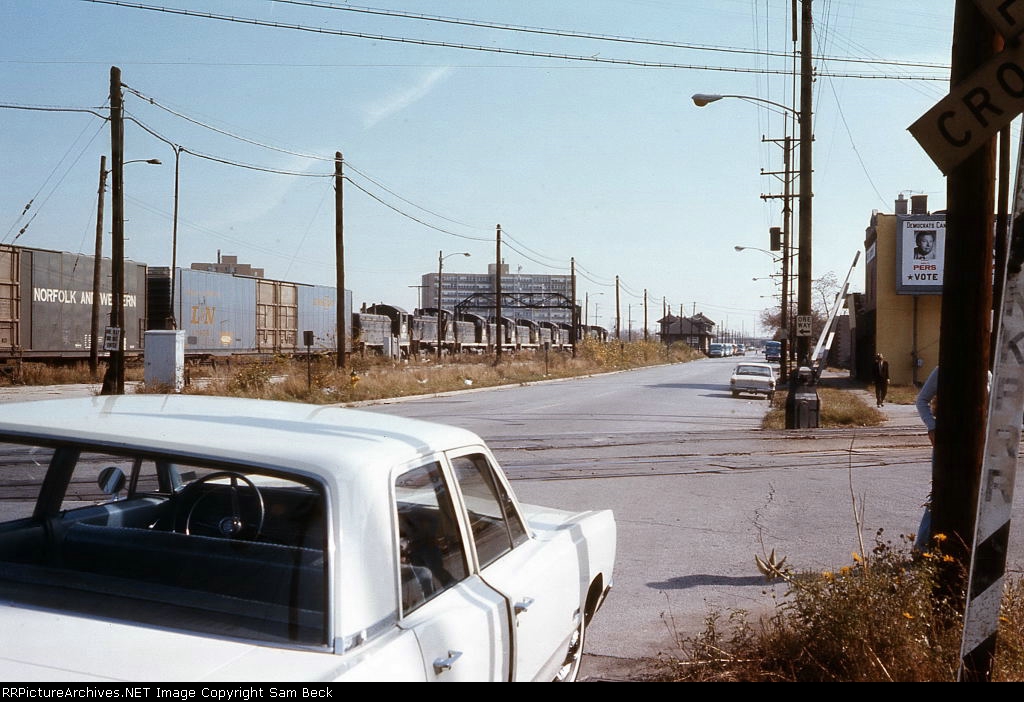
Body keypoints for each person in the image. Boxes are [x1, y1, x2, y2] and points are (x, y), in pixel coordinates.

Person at [914, 366, 938, 549]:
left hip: (978, 440)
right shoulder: (942, 371)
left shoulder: (986, 374)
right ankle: (922, 546)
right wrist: (932, 426)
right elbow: (922, 400)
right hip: (947, 441)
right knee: (939, 491)